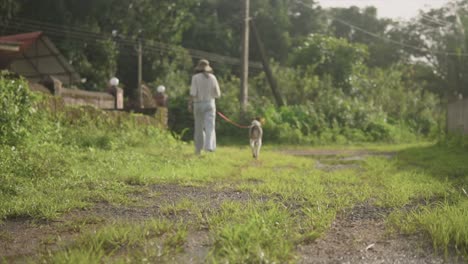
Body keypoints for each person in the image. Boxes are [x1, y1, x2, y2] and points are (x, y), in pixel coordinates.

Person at [188, 59, 221, 155]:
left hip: (198, 104)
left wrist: (190, 104)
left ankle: (198, 149)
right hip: (210, 103)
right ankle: (209, 147)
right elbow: (218, 94)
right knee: (210, 126)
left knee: (198, 127)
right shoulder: (213, 78)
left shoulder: (195, 77)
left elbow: (193, 93)